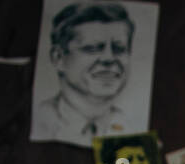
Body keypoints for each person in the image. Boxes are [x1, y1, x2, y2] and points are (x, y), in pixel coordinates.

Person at [35, 2, 136, 143]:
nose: (109, 58)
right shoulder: (36, 120)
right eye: (93, 48)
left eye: (119, 48)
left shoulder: (134, 128)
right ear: (58, 58)